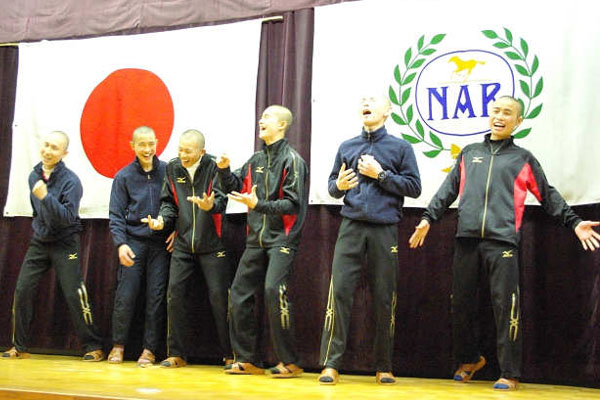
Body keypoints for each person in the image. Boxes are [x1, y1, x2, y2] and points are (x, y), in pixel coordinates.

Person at [409, 96, 600, 391]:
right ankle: (470, 359)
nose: (499, 116)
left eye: (507, 113)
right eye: (496, 111)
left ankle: (509, 372)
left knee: (505, 307)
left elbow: (548, 195)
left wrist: (574, 222)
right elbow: (447, 191)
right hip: (467, 240)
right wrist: (427, 218)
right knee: (460, 304)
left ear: (518, 121)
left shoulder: (523, 159)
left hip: (503, 242)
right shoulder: (469, 153)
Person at [317, 95, 422, 385]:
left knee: (384, 295)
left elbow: (414, 187)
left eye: (374, 100)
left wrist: (381, 175)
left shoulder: (401, 147)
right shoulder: (347, 146)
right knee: (339, 292)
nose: (366, 103)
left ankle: (384, 365)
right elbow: (332, 186)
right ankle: (331, 363)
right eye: (363, 100)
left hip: (384, 228)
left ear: (388, 111)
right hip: (350, 226)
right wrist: (338, 186)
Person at [217, 105, 308, 378]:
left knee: (273, 290)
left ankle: (290, 361)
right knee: (238, 293)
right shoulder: (255, 159)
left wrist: (259, 204)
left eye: (267, 117)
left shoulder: (293, 160)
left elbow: (292, 204)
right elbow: (234, 186)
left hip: (282, 238)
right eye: (261, 117)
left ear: (282, 125)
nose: (261, 120)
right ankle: (247, 359)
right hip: (255, 238)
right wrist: (224, 170)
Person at [2, 131, 104, 361]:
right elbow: (37, 210)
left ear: (64, 153)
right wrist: (41, 220)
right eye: (46, 145)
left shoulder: (71, 181)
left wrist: (46, 197)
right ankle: (19, 346)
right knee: (23, 290)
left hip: (65, 242)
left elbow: (67, 218)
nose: (48, 151)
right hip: (40, 241)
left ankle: (93, 346)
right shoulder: (34, 175)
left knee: (75, 293)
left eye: (54, 148)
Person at [143, 129, 233, 368]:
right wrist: (162, 221)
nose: (182, 155)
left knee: (220, 298)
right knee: (174, 295)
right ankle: (176, 354)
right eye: (180, 149)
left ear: (202, 152)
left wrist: (211, 205)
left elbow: (222, 201)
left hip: (213, 244)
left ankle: (231, 354)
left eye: (188, 151)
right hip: (183, 244)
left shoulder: (214, 166)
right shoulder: (173, 168)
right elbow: (168, 203)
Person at [107, 126, 172, 366]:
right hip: (133, 242)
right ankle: (118, 346)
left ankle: (149, 349)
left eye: (151, 144)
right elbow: (115, 215)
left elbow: (179, 206)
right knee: (126, 295)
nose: (147, 149)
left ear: (157, 143)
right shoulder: (123, 176)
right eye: (142, 144)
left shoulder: (169, 171)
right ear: (132, 146)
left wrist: (175, 230)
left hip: (160, 244)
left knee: (156, 296)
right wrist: (121, 244)